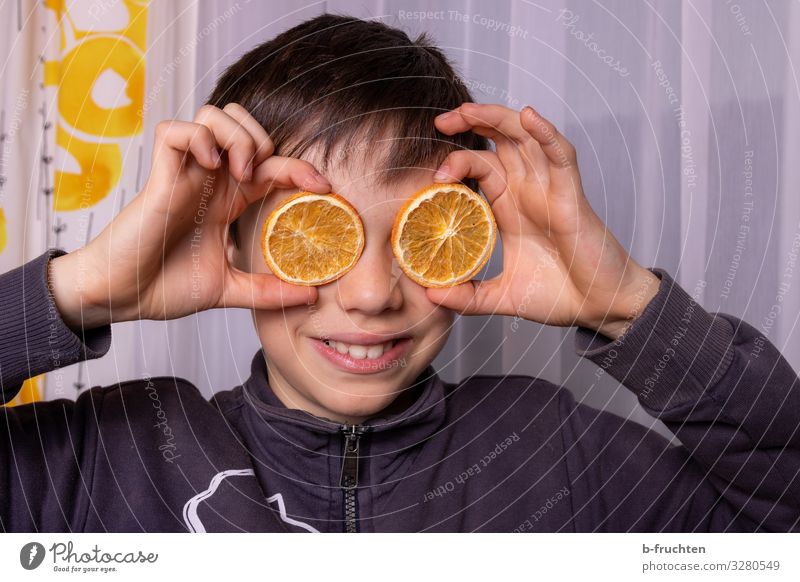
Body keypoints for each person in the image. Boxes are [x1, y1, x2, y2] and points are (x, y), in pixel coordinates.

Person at [1, 14, 798, 533]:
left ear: (468, 238)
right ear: (232, 243)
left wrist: (627, 303)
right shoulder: (105, 461)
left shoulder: (556, 450)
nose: (375, 295)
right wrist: (78, 290)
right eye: (319, 235)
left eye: (418, 238)